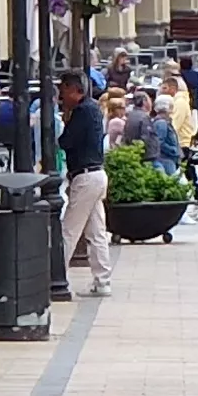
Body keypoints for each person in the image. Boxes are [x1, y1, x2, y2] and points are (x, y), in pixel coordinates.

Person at [55, 71, 113, 301]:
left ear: (73, 90)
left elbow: (65, 141)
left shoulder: (81, 111)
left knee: (69, 229)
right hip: (97, 174)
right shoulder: (93, 109)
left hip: (85, 176)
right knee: (96, 231)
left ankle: (56, 276)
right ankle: (103, 281)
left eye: (63, 91)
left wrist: (66, 121)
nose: (61, 97)